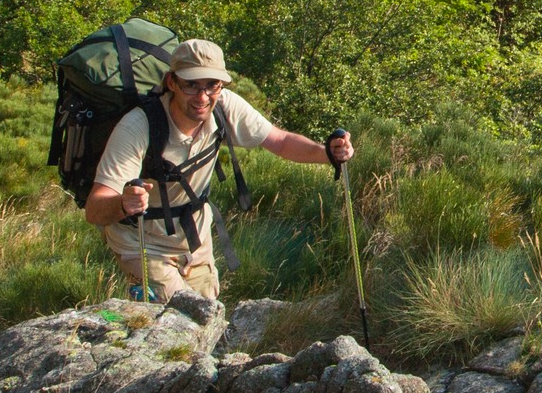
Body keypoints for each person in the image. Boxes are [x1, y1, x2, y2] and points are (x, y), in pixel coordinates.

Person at [82, 38, 352, 303]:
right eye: (191, 85)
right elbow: (95, 209)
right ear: (172, 82)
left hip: (195, 242)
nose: (202, 97)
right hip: (143, 246)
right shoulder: (137, 127)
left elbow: (279, 141)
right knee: (175, 317)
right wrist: (124, 203)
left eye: (212, 84)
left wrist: (327, 154)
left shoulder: (224, 106)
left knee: (207, 315)